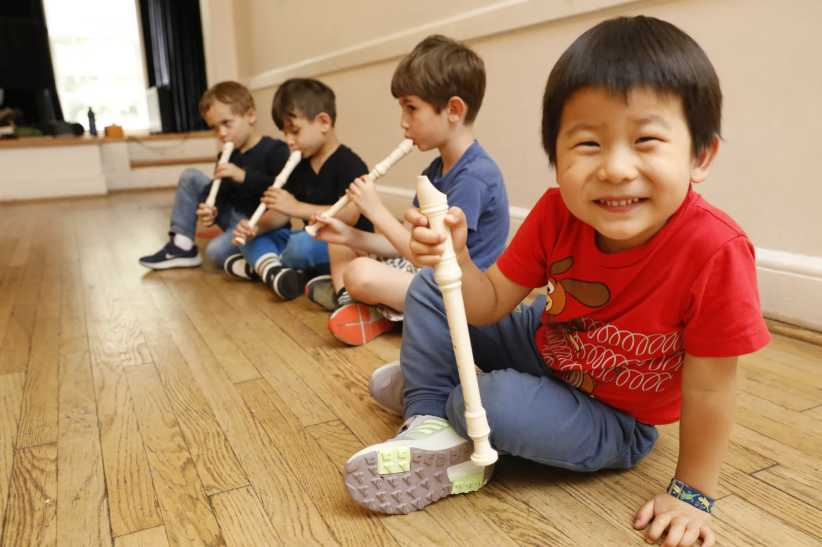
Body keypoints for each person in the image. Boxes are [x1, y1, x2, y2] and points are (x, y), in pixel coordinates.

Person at [346, 16, 770, 547]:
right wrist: (455, 259)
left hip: (617, 415)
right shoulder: (554, 213)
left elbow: (710, 387)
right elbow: (489, 303)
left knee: (488, 403)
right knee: (434, 285)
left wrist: (692, 493)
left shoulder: (716, 251)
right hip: (547, 345)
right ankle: (428, 415)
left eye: (645, 140)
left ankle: (448, 395)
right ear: (556, 156)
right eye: (588, 144)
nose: (616, 168)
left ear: (699, 155)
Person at [309, 34, 509, 345]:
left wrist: (374, 209)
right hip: (424, 275)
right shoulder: (434, 172)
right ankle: (381, 308)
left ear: (454, 110)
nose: (403, 122)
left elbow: (431, 259)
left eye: (411, 109)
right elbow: (400, 244)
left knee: (360, 272)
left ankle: (364, 305)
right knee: (340, 246)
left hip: (458, 292)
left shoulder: (476, 177)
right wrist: (347, 235)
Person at [229, 78, 372, 299]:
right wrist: (256, 227)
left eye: (294, 131)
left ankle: (263, 267)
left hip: (347, 244)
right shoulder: (299, 165)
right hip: (312, 238)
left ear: (324, 122)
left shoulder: (349, 163)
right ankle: (274, 270)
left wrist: (296, 207)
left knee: (298, 246)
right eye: (284, 133)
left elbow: (350, 215)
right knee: (254, 240)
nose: (289, 141)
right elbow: (281, 213)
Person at [139, 81, 289, 270]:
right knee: (190, 176)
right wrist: (210, 207)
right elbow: (217, 191)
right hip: (232, 218)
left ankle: (260, 260)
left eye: (227, 123)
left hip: (259, 224)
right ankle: (182, 245)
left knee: (215, 251)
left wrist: (243, 176)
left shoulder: (275, 150)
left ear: (250, 115)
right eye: (215, 128)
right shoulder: (227, 155)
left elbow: (281, 193)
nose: (222, 133)